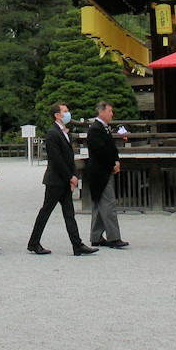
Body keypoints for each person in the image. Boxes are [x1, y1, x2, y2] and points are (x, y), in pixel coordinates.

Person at [28, 103, 98, 256]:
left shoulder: (65, 133)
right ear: (57, 115)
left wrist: (74, 175)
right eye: (65, 111)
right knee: (46, 211)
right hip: (55, 180)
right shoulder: (52, 133)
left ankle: (77, 245)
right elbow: (56, 159)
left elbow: (69, 158)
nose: (68, 113)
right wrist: (70, 176)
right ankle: (33, 242)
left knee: (69, 213)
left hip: (65, 180)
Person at [86, 100, 128, 249]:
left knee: (100, 203)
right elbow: (101, 151)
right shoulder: (95, 129)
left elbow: (111, 148)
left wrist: (116, 161)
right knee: (108, 204)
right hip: (100, 171)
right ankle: (114, 237)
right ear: (101, 112)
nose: (112, 114)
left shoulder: (104, 128)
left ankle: (96, 236)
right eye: (109, 111)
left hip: (104, 169)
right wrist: (112, 164)